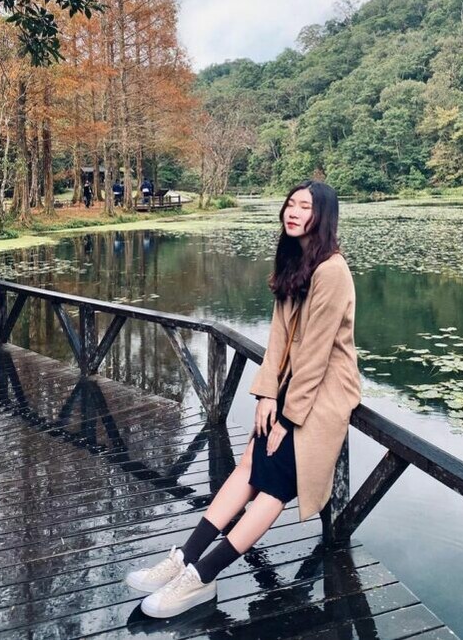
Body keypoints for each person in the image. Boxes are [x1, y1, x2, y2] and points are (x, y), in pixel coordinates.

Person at [125, 180, 362, 619]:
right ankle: (185, 558)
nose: (293, 212)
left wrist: (288, 420)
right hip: (291, 387)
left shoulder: (332, 270)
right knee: (250, 463)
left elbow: (315, 354)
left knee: (274, 484)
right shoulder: (296, 259)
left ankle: (203, 577)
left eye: (305, 206)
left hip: (323, 392)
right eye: (290, 203)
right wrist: (267, 393)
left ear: (323, 216)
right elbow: (279, 336)